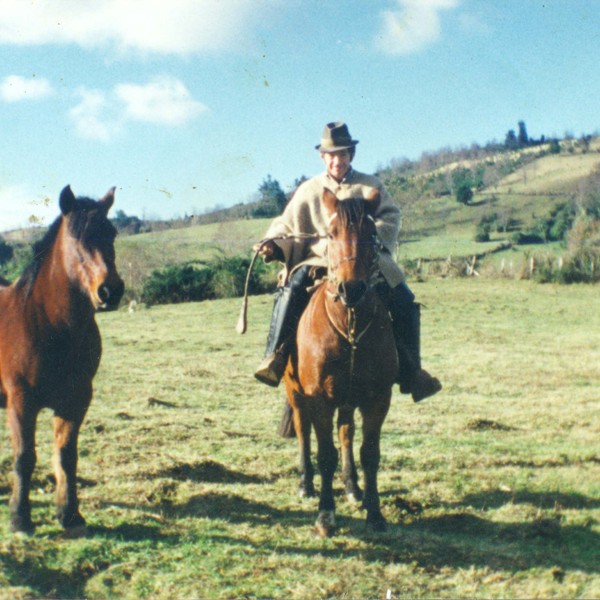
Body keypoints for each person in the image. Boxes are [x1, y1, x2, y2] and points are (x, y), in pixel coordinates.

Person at [254, 121, 442, 402]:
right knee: (290, 291)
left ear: (351, 155)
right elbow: (285, 223)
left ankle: (412, 371)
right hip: (318, 260)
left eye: (342, 154)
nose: (336, 160)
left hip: (366, 262)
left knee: (403, 299)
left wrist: (366, 236)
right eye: (331, 154)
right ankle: (276, 357)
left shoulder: (370, 186)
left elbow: (391, 216)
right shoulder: (309, 190)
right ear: (322, 157)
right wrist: (272, 242)